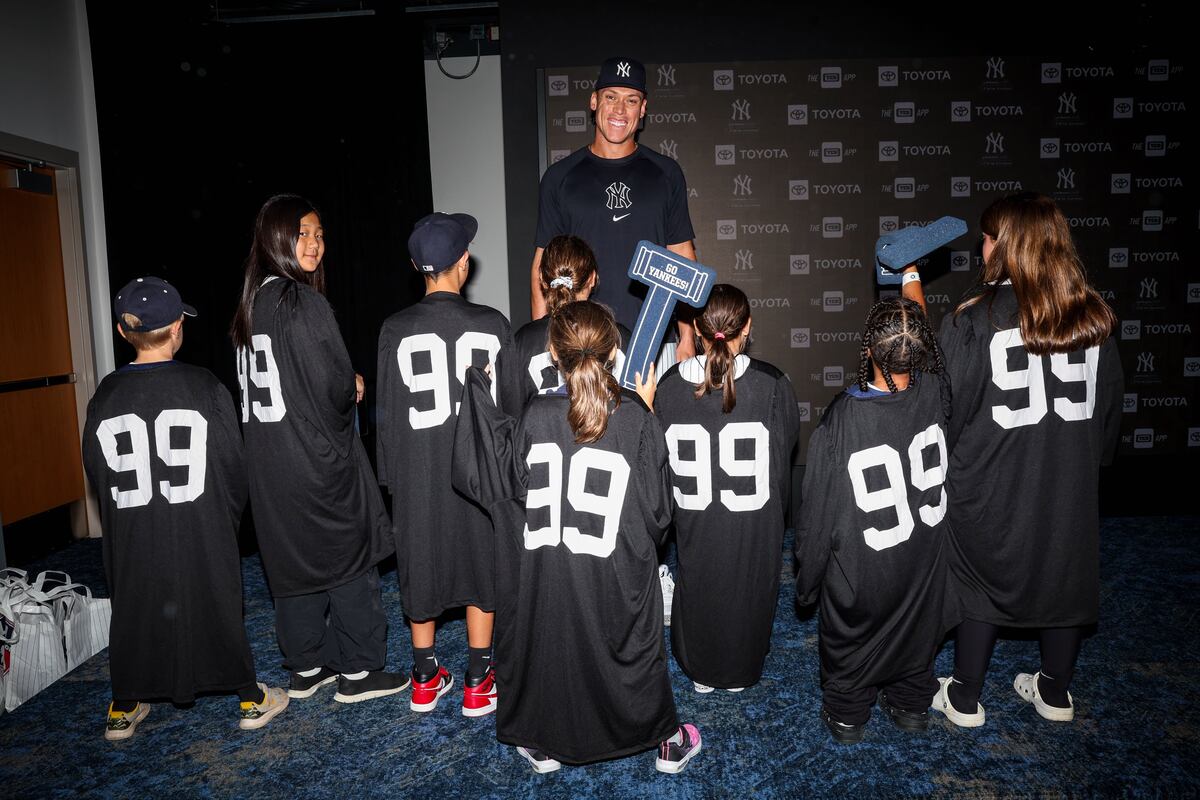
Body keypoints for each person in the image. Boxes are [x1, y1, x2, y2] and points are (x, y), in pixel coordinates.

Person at [453, 301, 701, 774]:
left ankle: (543, 742)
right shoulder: (635, 418)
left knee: (553, 639)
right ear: (614, 354)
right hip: (613, 574)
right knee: (632, 645)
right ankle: (665, 740)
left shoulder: (532, 415)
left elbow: (509, 487)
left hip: (551, 574)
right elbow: (658, 515)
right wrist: (645, 411)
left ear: (553, 353)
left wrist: (479, 389)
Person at [931, 192, 1122, 727]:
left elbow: (949, 410)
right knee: (1066, 565)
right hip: (1067, 477)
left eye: (988, 237)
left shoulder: (974, 316)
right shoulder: (1093, 314)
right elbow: (1109, 407)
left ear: (1008, 246)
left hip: (990, 474)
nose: (981, 246)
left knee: (978, 570)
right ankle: (1056, 691)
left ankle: (966, 696)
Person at [82, 277, 287, 741]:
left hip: (133, 522)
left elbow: (95, 468)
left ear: (122, 332)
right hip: (199, 518)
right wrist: (225, 515)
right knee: (214, 597)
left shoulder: (106, 394)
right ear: (177, 328)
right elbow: (234, 466)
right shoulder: (204, 386)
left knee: (133, 601)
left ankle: (124, 704)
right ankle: (250, 698)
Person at [231, 194, 406, 704]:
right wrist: (351, 385)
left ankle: (305, 667)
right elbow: (331, 386)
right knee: (347, 555)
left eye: (319, 235)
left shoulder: (249, 305)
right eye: (302, 233)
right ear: (275, 239)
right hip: (314, 458)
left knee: (293, 563)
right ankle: (359, 671)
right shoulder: (300, 301)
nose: (314, 244)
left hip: (268, 461)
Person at [794, 294, 955, 743]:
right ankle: (910, 703)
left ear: (868, 349)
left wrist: (808, 580)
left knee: (852, 635)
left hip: (864, 568)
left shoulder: (843, 417)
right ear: (921, 352)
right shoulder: (936, 391)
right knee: (917, 626)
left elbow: (818, 516)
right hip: (923, 556)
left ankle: (848, 715)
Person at [376, 212, 515, 716]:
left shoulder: (394, 328)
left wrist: (391, 477)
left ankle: (424, 674)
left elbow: (387, 412)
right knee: (484, 561)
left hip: (418, 469)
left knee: (420, 564)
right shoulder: (493, 323)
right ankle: (479, 677)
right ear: (463, 262)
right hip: (478, 470)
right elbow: (507, 413)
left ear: (417, 265)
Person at [654, 285, 799, 693]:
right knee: (748, 586)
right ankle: (739, 668)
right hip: (753, 523)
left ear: (696, 330)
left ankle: (701, 667)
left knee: (700, 578)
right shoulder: (772, 383)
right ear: (747, 328)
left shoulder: (667, 386)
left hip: (696, 520)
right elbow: (783, 460)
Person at [531, 56, 698, 358]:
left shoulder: (666, 172)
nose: (620, 110)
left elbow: (682, 257)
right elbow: (543, 266)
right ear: (594, 101)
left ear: (643, 108)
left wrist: (687, 335)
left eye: (631, 100)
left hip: (655, 338)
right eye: (611, 97)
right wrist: (542, 344)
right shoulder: (560, 177)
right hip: (583, 339)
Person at [509, 234, 631, 411]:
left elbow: (512, 416)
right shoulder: (620, 336)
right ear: (592, 278)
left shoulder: (522, 341)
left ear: (542, 280)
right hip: (611, 436)